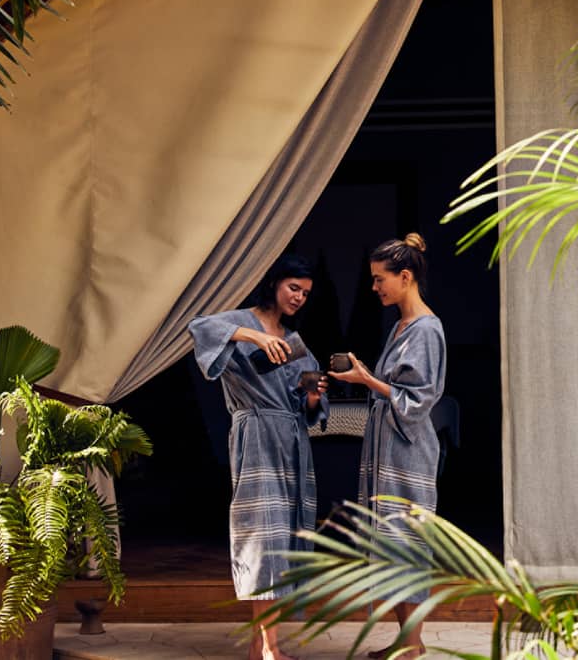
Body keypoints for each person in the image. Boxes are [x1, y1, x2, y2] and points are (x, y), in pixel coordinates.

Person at [188, 254, 328, 660]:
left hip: (293, 440)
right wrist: (254, 338)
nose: (299, 297)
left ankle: (258, 645)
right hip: (257, 437)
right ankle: (270, 647)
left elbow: (312, 410)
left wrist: (315, 392)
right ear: (274, 284)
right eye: (293, 288)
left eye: (305, 293)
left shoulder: (295, 342)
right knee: (261, 536)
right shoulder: (240, 322)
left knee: (285, 538)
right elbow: (199, 327)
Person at [328, 233, 446, 659]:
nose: (375, 287)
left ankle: (412, 647)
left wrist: (366, 379)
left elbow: (417, 400)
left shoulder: (427, 329)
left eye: (380, 279)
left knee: (406, 543)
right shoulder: (401, 326)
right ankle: (408, 642)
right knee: (390, 544)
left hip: (408, 450)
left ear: (406, 276)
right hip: (389, 449)